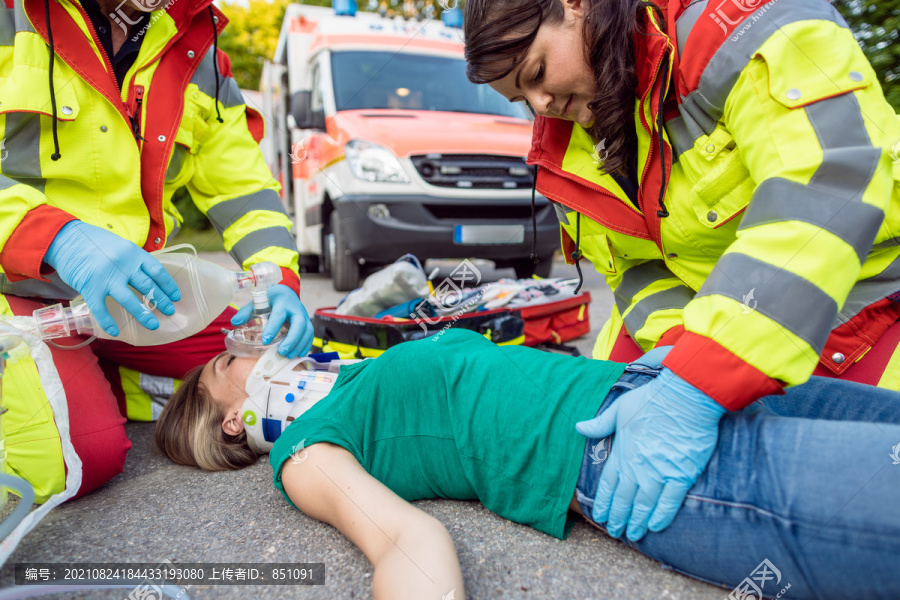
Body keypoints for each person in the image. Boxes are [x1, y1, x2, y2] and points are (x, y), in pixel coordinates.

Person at [462, 0, 900, 542]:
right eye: (520, 98)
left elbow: (828, 186)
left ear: (575, 6)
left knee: (852, 478)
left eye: (536, 74)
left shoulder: (746, 29)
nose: (542, 105)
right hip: (705, 317)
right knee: (601, 423)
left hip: (857, 305)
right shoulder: (567, 144)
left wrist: (696, 383)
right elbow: (634, 269)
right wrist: (672, 353)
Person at [155, 328, 900, 600]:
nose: (252, 350)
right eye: (231, 360)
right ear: (229, 417)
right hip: (636, 464)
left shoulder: (349, 378)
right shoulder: (302, 448)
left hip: (676, 391)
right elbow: (404, 544)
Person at [0, 0, 313, 503]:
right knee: (82, 455)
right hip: (17, 289)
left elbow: (243, 191)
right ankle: (77, 387)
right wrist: (55, 238)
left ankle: (97, 376)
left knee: (264, 359)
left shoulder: (198, 49)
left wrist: (277, 278)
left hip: (132, 294)